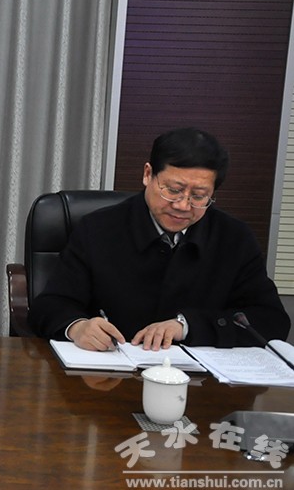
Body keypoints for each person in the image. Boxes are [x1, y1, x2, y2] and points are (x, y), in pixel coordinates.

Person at [29, 127, 290, 351]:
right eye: (173, 190)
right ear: (148, 174)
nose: (183, 205)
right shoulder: (97, 229)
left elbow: (270, 320)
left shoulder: (234, 239)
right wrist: (78, 327)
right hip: (108, 375)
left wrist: (185, 326)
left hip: (199, 383)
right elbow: (49, 305)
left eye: (199, 196)